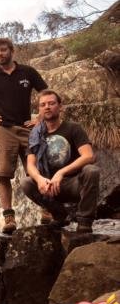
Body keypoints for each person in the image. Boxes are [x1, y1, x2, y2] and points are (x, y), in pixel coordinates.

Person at [0, 37, 48, 234]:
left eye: (3, 50)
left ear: (11, 51)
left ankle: (47, 210)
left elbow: (46, 92)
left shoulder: (28, 72)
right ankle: (9, 218)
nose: (0, 54)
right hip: (3, 130)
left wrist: (39, 117)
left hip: (28, 129)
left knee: (36, 170)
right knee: (3, 174)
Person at [21, 89, 99, 233]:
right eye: (43, 104)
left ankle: (85, 221)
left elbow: (89, 156)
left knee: (91, 170)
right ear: (39, 109)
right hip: (49, 187)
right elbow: (30, 165)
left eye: (51, 103)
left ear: (60, 106)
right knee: (26, 182)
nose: (47, 107)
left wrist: (61, 172)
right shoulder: (35, 135)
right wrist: (39, 179)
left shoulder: (73, 128)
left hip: (74, 183)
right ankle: (59, 214)